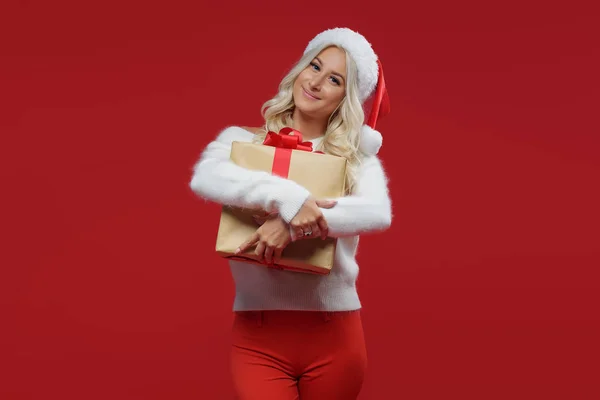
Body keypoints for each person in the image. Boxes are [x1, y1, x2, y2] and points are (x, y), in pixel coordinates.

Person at [189, 27, 393, 400]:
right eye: (313, 66)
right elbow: (206, 177)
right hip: (258, 334)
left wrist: (295, 228)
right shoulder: (242, 142)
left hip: (335, 335)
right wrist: (288, 200)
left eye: (333, 79)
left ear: (344, 99)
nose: (315, 82)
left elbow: (377, 212)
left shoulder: (355, 159)